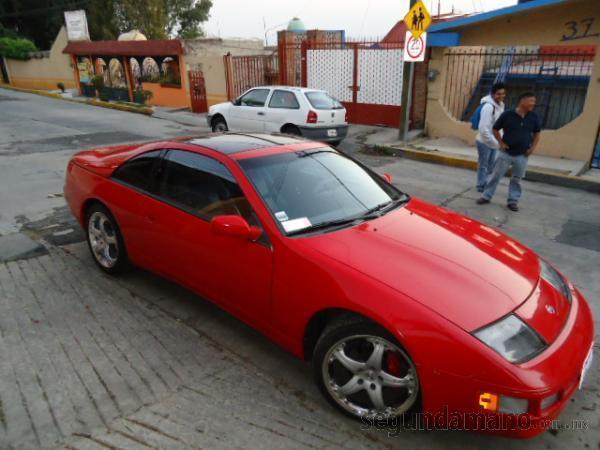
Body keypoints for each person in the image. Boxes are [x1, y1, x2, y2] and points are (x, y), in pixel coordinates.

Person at [477, 92, 541, 212]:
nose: (533, 103)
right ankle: (486, 196)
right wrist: (501, 143)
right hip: (506, 153)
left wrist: (532, 148)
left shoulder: (533, 117)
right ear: (523, 101)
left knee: (517, 179)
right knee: (496, 176)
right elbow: (495, 129)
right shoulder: (508, 115)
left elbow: (537, 133)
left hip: (522, 155)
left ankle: (513, 201)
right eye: (531, 101)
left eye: (534, 101)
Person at [475, 82, 506, 192]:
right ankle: (481, 185)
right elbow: (483, 129)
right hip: (484, 141)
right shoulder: (488, 107)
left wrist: (499, 141)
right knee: (484, 165)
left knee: (490, 166)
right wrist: (495, 143)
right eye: (498, 94)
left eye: (503, 94)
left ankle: (485, 183)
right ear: (492, 94)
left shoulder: (500, 105)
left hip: (493, 141)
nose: (501, 96)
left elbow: (499, 125)